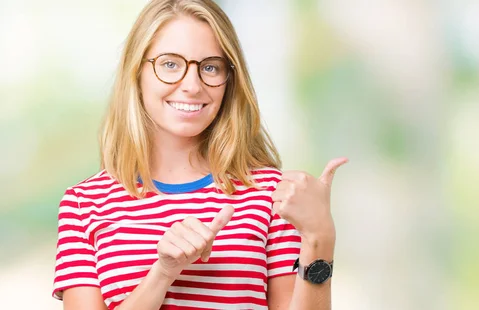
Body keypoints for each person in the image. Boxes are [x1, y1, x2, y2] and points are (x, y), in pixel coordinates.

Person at [51, 0, 347, 309]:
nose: (192, 86)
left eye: (210, 67)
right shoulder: (85, 204)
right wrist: (163, 273)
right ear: (136, 72)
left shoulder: (271, 195)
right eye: (170, 64)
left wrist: (319, 238)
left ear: (229, 80)